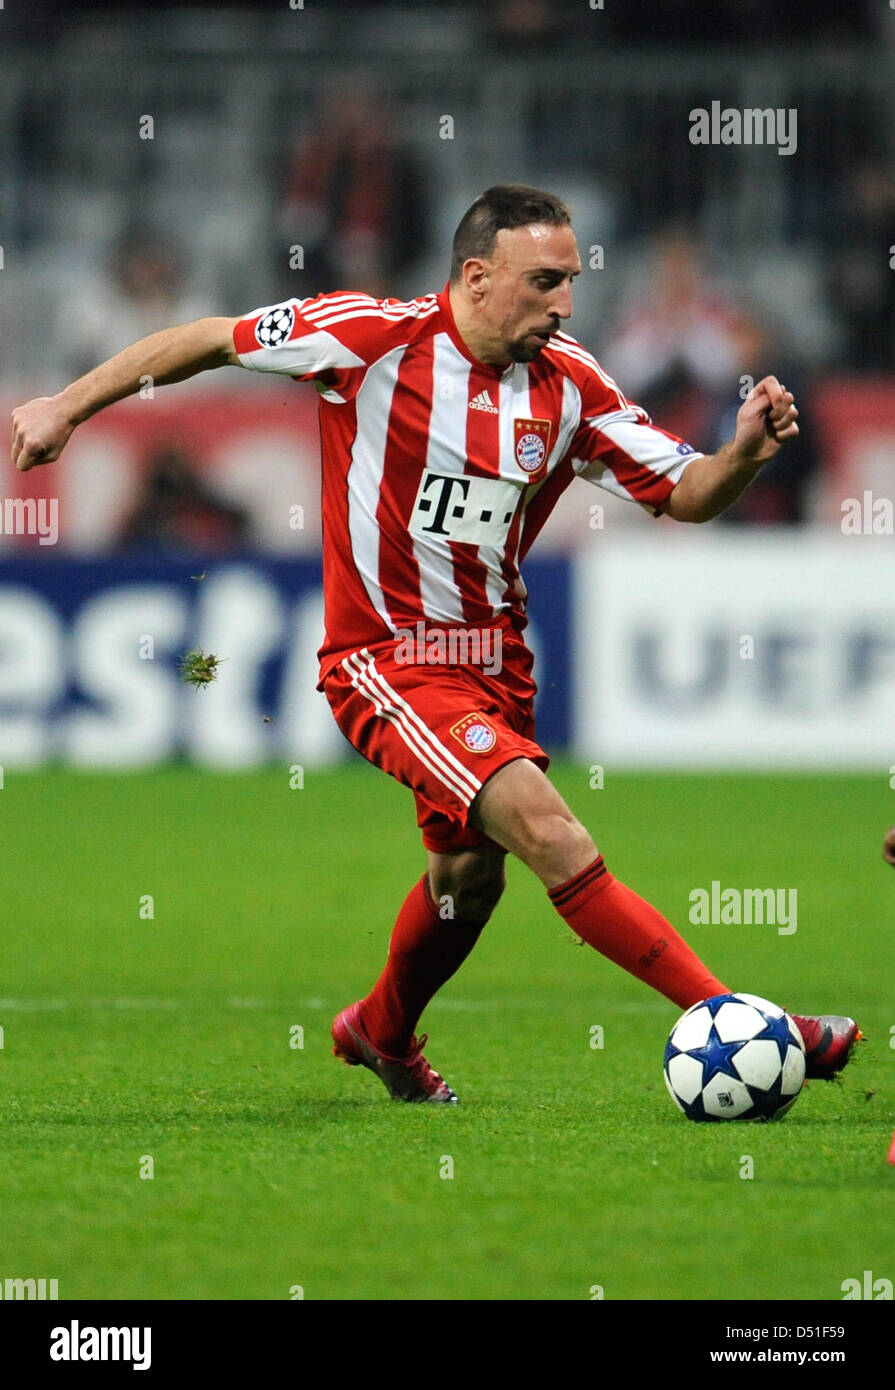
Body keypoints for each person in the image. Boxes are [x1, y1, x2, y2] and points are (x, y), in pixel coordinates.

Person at [11, 185, 860, 1104]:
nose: (563, 303)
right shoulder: (370, 339)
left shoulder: (570, 384)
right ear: (476, 275)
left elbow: (685, 493)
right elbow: (211, 335)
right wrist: (67, 403)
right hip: (383, 660)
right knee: (552, 834)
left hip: (494, 662)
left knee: (466, 880)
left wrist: (736, 456)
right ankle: (748, 1023)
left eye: (570, 282)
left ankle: (379, 1030)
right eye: (543, 281)